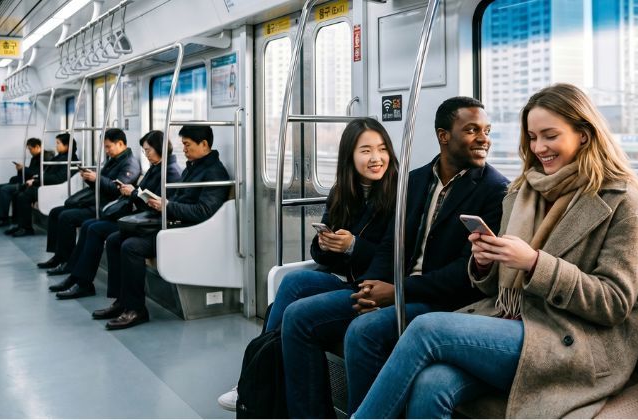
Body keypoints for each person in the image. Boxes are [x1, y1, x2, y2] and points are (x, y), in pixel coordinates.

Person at [353, 84, 638, 419]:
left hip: (574, 340)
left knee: (426, 329)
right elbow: (496, 289)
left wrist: (534, 263)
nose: (539, 147)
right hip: (514, 320)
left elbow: (614, 302)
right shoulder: (522, 192)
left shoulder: (621, 200)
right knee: (431, 383)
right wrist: (484, 264)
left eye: (550, 136)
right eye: (533, 137)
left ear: (583, 134)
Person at [281, 97, 509, 417]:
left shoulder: (495, 190)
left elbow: (464, 273)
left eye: (487, 130)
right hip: (395, 287)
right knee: (298, 316)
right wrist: (370, 286)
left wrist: (397, 291)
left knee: (364, 331)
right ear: (444, 136)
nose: (484, 138)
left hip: (440, 300)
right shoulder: (414, 181)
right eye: (472, 130)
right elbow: (391, 244)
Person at [216, 117, 399, 411]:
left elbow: (391, 257)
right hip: (345, 278)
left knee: (290, 307)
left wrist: (352, 246)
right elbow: (319, 254)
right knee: (290, 286)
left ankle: (253, 378)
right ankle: (254, 375)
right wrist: (325, 245)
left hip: (372, 286)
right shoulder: (342, 192)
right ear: (350, 156)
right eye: (366, 151)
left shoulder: (399, 194)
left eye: (382, 149)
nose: (376, 158)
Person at [102, 125, 230, 330]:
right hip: (174, 223)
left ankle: (136, 309)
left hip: (188, 231)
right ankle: (122, 301)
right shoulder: (193, 167)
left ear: (204, 144)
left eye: (187, 145)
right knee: (115, 239)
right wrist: (161, 203)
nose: (184, 149)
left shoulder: (214, 173)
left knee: (131, 246)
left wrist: (168, 206)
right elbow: (178, 198)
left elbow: (204, 211)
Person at [49, 131, 182, 300]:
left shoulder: (170, 172)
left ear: (159, 148)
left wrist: (133, 193)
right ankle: (77, 277)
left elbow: (157, 204)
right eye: (144, 151)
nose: (146, 154)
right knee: (89, 226)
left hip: (147, 222)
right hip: (139, 217)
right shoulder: (156, 168)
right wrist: (133, 192)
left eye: (148, 150)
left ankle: (84, 282)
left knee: (95, 229)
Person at [37, 128, 140, 273]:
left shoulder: (129, 164)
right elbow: (101, 184)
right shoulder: (113, 161)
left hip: (107, 205)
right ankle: (59, 256)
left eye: (108, 147)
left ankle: (66, 260)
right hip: (96, 200)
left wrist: (97, 178)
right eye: (105, 147)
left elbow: (116, 189)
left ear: (120, 144)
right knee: (55, 212)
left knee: (66, 217)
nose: (106, 151)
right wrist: (90, 178)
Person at [4, 134, 79, 237]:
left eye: (58, 143)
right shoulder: (59, 157)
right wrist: (36, 179)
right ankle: (20, 225)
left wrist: (35, 182)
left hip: (56, 189)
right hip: (49, 186)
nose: (56, 146)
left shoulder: (70, 160)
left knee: (23, 196)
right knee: (18, 193)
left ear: (67, 146)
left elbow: (58, 179)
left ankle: (26, 228)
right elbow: (47, 174)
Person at [0, 138, 51, 228]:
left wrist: (23, 168)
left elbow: (37, 174)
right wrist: (21, 169)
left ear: (37, 147)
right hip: (27, 180)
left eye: (30, 149)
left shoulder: (45, 158)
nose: (29, 151)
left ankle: (3, 219)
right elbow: (31, 172)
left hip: (33, 183)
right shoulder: (35, 158)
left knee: (5, 189)